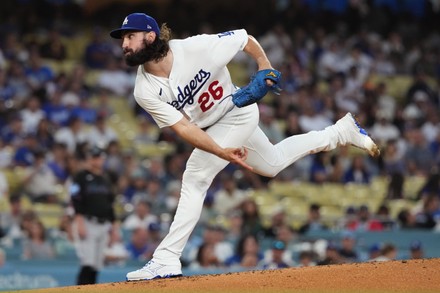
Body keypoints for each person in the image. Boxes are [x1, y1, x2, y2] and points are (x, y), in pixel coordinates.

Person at [109, 12, 379, 281]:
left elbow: (244, 39)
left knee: (195, 177)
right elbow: (184, 128)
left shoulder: (195, 47)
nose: (124, 44)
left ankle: (166, 259)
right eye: (123, 38)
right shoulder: (144, 90)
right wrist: (220, 150)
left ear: (151, 35)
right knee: (272, 163)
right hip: (212, 127)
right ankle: (340, 132)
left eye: (130, 36)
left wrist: (263, 64)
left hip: (238, 111)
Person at [70, 146, 119, 285]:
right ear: (89, 159)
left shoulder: (105, 179)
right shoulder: (80, 177)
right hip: (87, 222)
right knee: (88, 262)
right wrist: (79, 222)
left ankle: (91, 289)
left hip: (103, 224)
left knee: (97, 265)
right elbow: (75, 199)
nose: (97, 160)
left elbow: (110, 204)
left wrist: (114, 228)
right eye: (94, 157)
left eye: (99, 157)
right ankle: (80, 289)